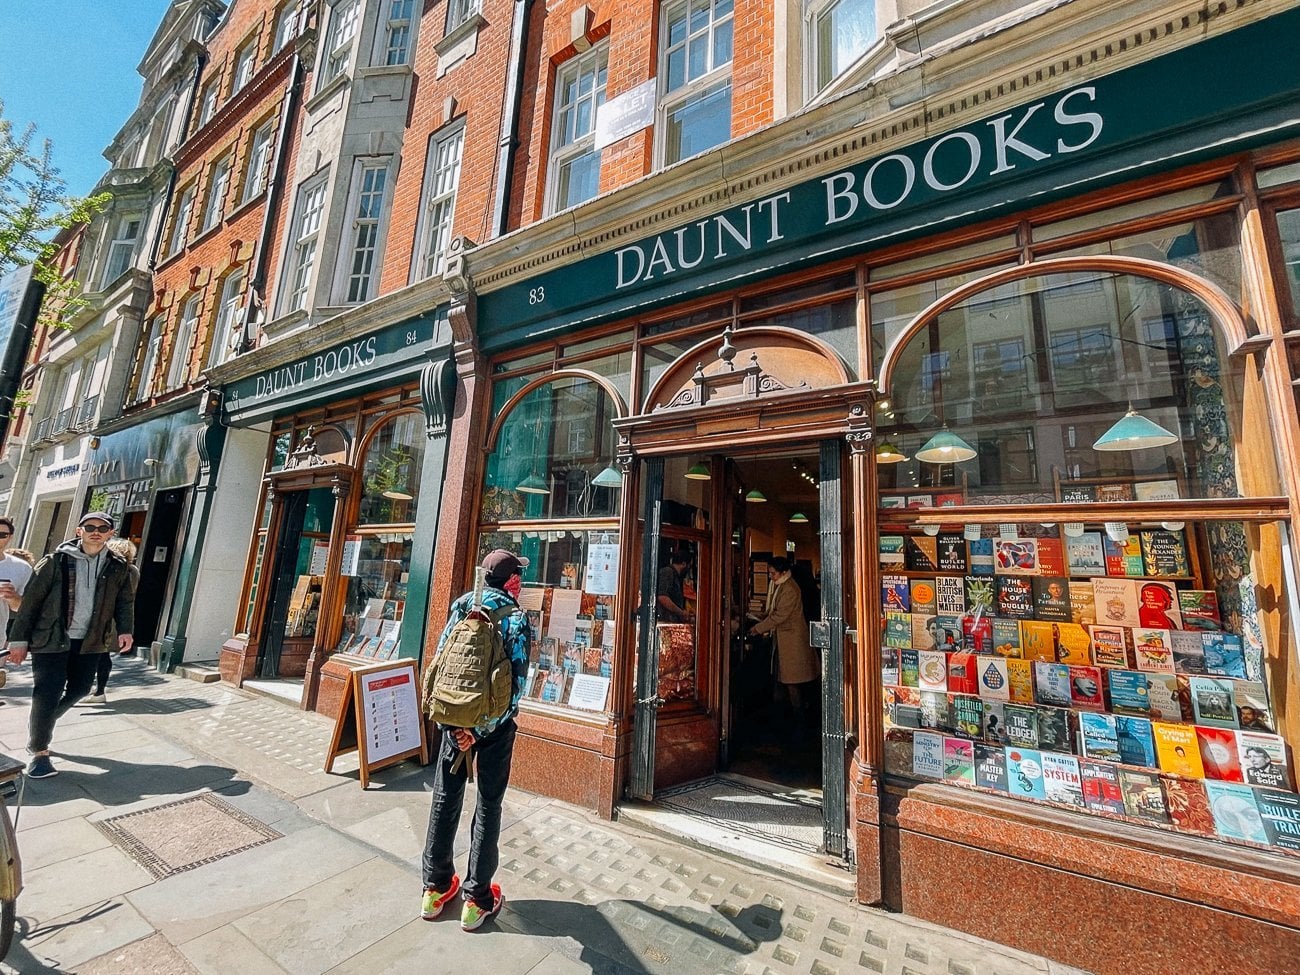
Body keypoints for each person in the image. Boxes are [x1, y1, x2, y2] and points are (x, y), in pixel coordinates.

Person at [421, 548, 531, 932]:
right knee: (489, 804)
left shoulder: (461, 605)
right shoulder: (516, 618)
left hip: (453, 722)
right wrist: (482, 729)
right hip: (494, 730)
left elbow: (441, 665)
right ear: (512, 581)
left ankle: (434, 889)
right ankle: (477, 899)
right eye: (520, 575)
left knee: (445, 797)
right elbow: (518, 685)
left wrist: (457, 729)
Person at [8, 512, 135, 778]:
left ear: (111, 533)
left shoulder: (117, 565)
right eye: (90, 527)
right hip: (52, 638)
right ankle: (39, 750)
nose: (96, 531)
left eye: (103, 528)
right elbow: (30, 602)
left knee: (80, 688)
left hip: (91, 640)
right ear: (80, 531)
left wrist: (125, 630)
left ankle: (44, 720)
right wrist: (19, 639)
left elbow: (124, 601)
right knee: (48, 692)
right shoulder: (55, 561)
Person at [750, 556, 820, 719]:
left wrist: (757, 629)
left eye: (773, 573)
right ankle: (790, 713)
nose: (770, 576)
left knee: (791, 680)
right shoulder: (782, 586)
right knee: (787, 680)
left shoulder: (789, 589)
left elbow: (779, 615)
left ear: (782, 572)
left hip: (792, 642)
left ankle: (798, 715)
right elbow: (775, 611)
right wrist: (763, 616)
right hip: (786, 640)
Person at [84, 538, 140, 704]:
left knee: (95, 654)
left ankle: (92, 690)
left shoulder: (114, 569)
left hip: (103, 617)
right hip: (117, 620)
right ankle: (98, 690)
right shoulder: (133, 571)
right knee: (103, 654)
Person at [656, 550, 693, 623]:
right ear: (684, 563)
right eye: (689, 566)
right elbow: (662, 597)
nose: (688, 569)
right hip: (663, 619)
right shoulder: (668, 572)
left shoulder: (676, 576)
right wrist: (681, 612)